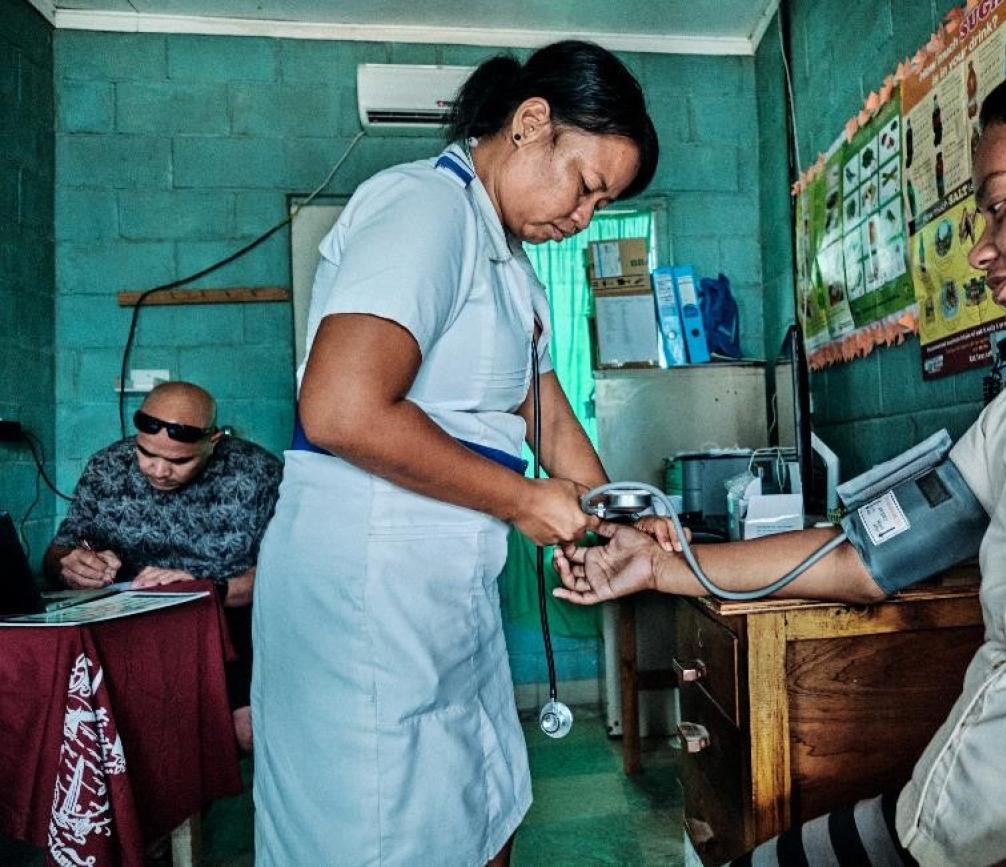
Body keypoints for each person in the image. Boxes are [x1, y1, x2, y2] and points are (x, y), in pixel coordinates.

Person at [556, 32, 1006, 865]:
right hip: (933, 822)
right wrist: (664, 564)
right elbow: (874, 554)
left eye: (1002, 202)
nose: (981, 247)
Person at [251, 40, 666, 866]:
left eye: (601, 202)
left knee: (481, 814)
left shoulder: (511, 265)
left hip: (443, 595)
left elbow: (542, 409)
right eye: (586, 185)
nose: (583, 217)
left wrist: (608, 516)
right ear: (532, 123)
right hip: (365, 596)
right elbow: (339, 408)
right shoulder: (424, 210)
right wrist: (523, 500)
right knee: (385, 836)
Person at [45, 381, 282, 753]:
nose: (158, 470)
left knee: (246, 733)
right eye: (146, 454)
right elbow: (60, 551)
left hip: (227, 621)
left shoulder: (258, 474)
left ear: (214, 440)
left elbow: (282, 578)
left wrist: (205, 588)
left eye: (179, 461)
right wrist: (72, 565)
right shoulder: (107, 465)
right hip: (127, 623)